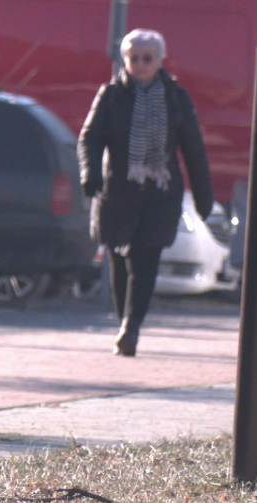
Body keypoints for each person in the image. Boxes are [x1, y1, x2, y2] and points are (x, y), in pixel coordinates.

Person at [78, 29, 213, 357]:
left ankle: (131, 326)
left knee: (145, 260)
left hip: (160, 195)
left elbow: (193, 148)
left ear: (159, 60)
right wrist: (91, 173)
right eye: (133, 58)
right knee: (119, 263)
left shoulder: (175, 97)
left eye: (146, 58)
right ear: (125, 60)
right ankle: (125, 319)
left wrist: (203, 196)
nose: (139, 64)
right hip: (118, 193)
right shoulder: (111, 95)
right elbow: (90, 138)